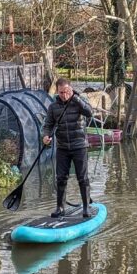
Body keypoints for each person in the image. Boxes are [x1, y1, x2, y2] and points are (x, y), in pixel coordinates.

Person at [43, 78, 93, 218]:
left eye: (66, 92)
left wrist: (76, 98)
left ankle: (86, 207)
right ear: (57, 92)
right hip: (62, 148)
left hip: (79, 146)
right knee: (61, 178)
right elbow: (48, 125)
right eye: (61, 92)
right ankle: (60, 208)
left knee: (82, 178)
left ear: (71, 89)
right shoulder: (53, 107)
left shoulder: (78, 101)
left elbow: (89, 112)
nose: (64, 95)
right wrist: (46, 136)